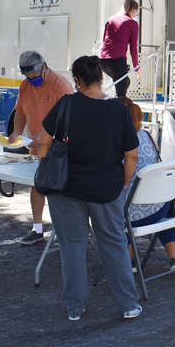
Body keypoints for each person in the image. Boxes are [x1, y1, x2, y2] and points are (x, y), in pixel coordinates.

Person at [38, 55, 142, 321]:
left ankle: (75, 306)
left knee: (72, 246)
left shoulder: (67, 104)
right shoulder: (118, 110)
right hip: (107, 189)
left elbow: (43, 143)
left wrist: (46, 166)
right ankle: (128, 304)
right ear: (102, 78)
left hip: (66, 189)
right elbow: (132, 155)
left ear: (76, 80)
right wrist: (124, 182)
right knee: (114, 244)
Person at [9, 51, 73, 245]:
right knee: (38, 185)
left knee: (61, 189)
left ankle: (67, 232)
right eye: (28, 77)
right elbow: (20, 111)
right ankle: (37, 229)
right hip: (37, 147)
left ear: (43, 67)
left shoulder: (61, 85)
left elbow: (69, 120)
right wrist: (17, 132)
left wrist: (46, 136)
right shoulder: (25, 85)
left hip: (60, 147)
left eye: (35, 76)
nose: (31, 80)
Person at [117, 97, 175, 273]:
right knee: (160, 202)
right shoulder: (147, 136)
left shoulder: (117, 141)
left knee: (114, 212)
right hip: (159, 208)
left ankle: (131, 261)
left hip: (132, 214)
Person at [99, 0, 140, 97]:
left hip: (102, 60)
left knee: (125, 82)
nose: (136, 16)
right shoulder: (132, 23)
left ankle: (113, 104)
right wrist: (136, 67)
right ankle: (116, 109)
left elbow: (104, 40)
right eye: (137, 14)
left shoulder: (111, 19)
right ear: (134, 10)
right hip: (117, 60)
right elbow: (133, 48)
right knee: (121, 95)